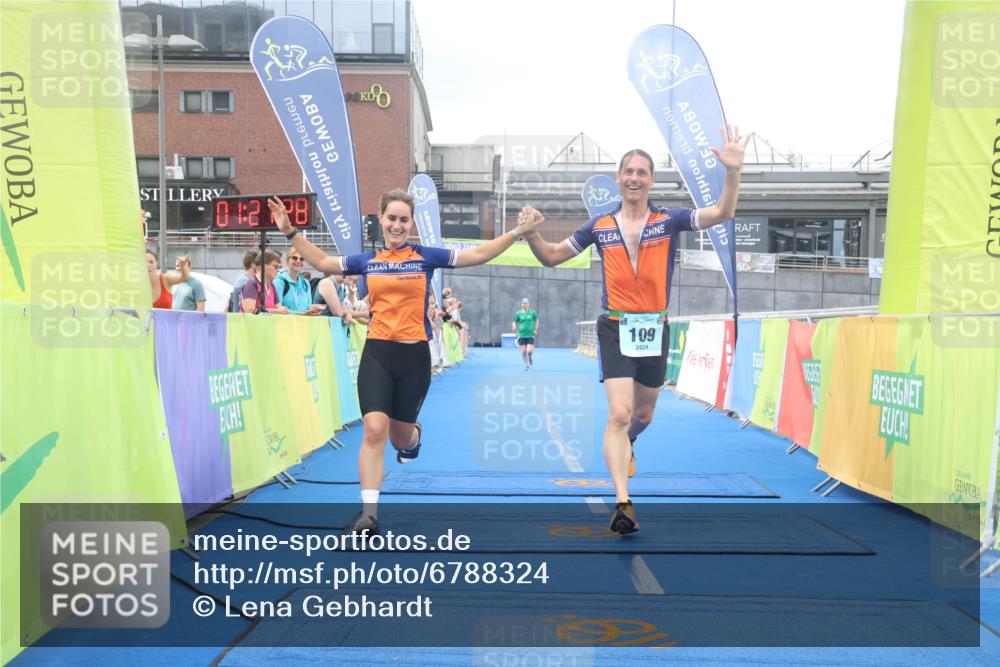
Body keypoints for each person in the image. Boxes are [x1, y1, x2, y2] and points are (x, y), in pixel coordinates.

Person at [270, 188, 541, 534]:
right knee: (373, 430)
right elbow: (323, 263)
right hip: (378, 353)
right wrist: (289, 230)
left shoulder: (425, 257)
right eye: (391, 218)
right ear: (381, 220)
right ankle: (369, 515)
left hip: (414, 357)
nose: (397, 225)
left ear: (411, 223)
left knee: (400, 439)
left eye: (403, 220)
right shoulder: (368, 261)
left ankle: (413, 436)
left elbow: (478, 254)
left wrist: (516, 232)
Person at [522, 126, 750, 534]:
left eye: (642, 172)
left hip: (654, 327)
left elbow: (721, 213)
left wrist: (732, 172)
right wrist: (534, 235)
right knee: (619, 413)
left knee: (642, 416)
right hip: (614, 326)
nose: (634, 177)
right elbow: (553, 258)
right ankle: (623, 504)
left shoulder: (669, 219)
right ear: (619, 178)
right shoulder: (599, 225)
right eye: (628, 171)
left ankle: (629, 445)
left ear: (651, 180)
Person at [273, 249, 325, 315]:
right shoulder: (279, 282)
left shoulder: (306, 284)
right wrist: (302, 314)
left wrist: (314, 309)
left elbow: (307, 307)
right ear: (288, 260)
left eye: (302, 259)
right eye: (294, 258)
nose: (298, 261)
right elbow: (278, 310)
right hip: (284, 323)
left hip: (302, 323)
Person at [240, 250, 290, 314]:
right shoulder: (252, 283)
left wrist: (283, 310)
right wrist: (277, 311)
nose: (278, 270)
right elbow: (250, 311)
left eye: (279, 267)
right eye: (275, 267)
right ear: (262, 265)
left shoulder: (271, 285)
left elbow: (279, 308)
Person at [512, 297, 539, 370]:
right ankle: (527, 365)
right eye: (524, 304)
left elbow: (536, 320)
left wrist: (536, 329)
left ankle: (530, 356)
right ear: (521, 305)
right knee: (523, 351)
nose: (525, 305)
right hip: (521, 335)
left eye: (526, 303)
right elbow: (514, 321)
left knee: (529, 350)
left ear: (529, 305)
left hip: (530, 334)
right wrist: (514, 326)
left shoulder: (533, 312)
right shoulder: (518, 313)